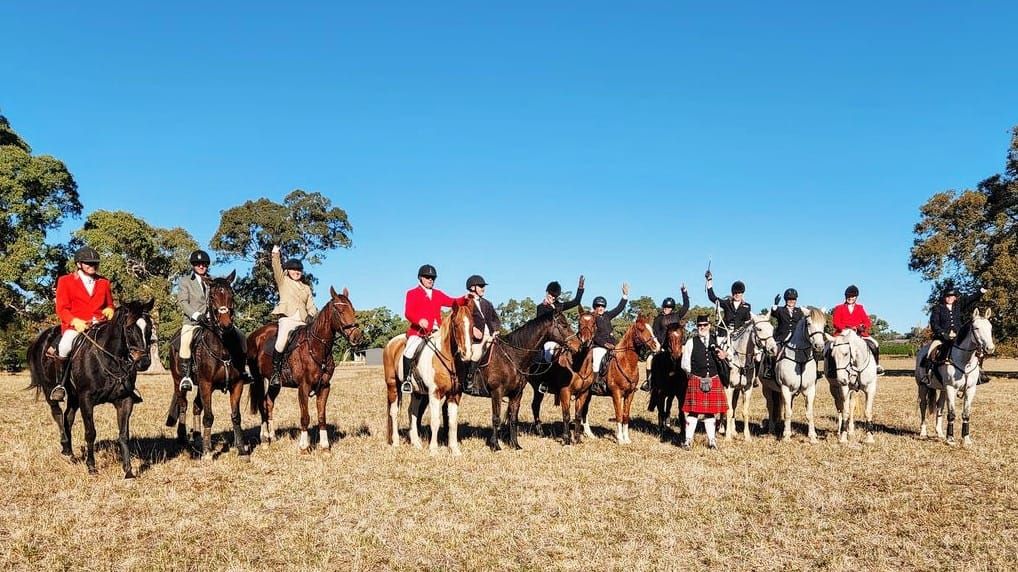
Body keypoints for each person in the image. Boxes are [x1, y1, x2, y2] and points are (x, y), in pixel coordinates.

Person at [49, 246, 116, 401]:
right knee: (65, 345)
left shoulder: (104, 282)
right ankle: (60, 385)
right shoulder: (65, 281)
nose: (92, 266)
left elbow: (109, 304)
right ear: (79, 264)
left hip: (101, 325)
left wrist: (109, 310)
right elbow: (61, 308)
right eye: (88, 263)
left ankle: (125, 385)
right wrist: (74, 321)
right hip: (76, 326)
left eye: (95, 263)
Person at [402, 264, 470, 393]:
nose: (430, 279)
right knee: (409, 350)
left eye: (433, 277)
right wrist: (418, 320)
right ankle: (407, 380)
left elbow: (452, 301)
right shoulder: (412, 293)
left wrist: (464, 299)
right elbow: (408, 312)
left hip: (436, 332)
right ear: (420, 278)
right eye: (427, 277)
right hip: (418, 332)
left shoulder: (437, 294)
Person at [268, 245, 318, 388]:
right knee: (281, 341)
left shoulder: (306, 288)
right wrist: (275, 254)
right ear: (288, 271)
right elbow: (276, 268)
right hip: (287, 319)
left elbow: (311, 306)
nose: (296, 272)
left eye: (299, 270)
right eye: (293, 270)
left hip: (302, 321)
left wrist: (311, 315)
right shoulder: (283, 281)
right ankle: (276, 374)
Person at [679, 314, 729, 449]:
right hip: (696, 379)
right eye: (700, 325)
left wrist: (724, 355)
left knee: (710, 412)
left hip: (714, 378)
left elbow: (728, 355)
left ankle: (712, 441)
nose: (702, 327)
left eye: (705, 325)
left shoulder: (717, 340)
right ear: (697, 327)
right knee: (693, 412)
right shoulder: (691, 342)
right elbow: (685, 363)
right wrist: (694, 376)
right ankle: (688, 440)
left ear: (709, 326)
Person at [924, 286, 989, 384]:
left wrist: (982, 290)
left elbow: (971, 298)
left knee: (977, 350)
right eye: (947, 296)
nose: (950, 298)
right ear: (944, 297)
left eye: (952, 296)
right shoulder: (938, 308)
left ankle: (979, 373)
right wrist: (942, 333)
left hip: (958, 337)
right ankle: (928, 375)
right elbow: (934, 323)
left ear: (955, 297)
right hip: (942, 338)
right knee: (931, 352)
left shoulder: (958, 305)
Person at [641, 284, 690, 391]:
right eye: (666, 307)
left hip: (677, 346)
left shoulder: (677, 315)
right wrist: (660, 345)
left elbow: (686, 306)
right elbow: (655, 333)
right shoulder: (658, 319)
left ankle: (690, 379)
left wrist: (684, 292)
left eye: (669, 307)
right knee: (649, 359)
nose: (667, 309)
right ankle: (649, 381)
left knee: (689, 356)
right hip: (663, 346)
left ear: (672, 308)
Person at [831, 284, 883, 375]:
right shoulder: (839, 308)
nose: (850, 298)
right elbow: (836, 323)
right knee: (830, 347)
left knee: (875, 344)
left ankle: (876, 366)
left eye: (852, 296)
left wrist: (861, 327)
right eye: (848, 296)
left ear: (856, 297)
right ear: (845, 296)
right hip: (843, 334)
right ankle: (831, 369)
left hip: (858, 335)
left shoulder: (860, 308)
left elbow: (867, 322)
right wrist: (848, 329)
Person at [463, 274, 501, 396]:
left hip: (490, 336)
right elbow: (463, 321)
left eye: (483, 286)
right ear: (472, 287)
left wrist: (495, 329)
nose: (483, 288)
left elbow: (496, 319)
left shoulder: (487, 303)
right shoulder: (466, 303)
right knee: (477, 353)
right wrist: (472, 329)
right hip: (475, 339)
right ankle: (469, 380)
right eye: (480, 286)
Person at [589, 283, 629, 395]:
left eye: (602, 306)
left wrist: (625, 296)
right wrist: (605, 344)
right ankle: (595, 383)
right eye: (598, 306)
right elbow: (594, 335)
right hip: (599, 346)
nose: (601, 308)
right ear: (595, 307)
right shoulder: (592, 318)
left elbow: (619, 308)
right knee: (597, 360)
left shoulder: (607, 315)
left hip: (612, 345)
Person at [536, 276, 585, 364]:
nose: (553, 297)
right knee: (548, 350)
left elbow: (576, 302)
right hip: (548, 339)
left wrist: (580, 288)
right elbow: (541, 324)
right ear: (547, 293)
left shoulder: (558, 305)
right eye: (551, 295)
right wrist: (552, 308)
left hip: (560, 338)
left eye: (555, 296)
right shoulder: (540, 307)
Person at [763, 287, 806, 379]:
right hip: (782, 338)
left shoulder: (800, 311)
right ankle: (769, 370)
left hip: (796, 339)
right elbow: (773, 312)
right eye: (789, 299)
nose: (791, 301)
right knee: (773, 352)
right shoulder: (780, 310)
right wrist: (775, 304)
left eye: (793, 299)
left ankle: (814, 371)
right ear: (786, 300)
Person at [705, 270, 751, 336]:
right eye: (735, 293)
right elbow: (712, 297)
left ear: (742, 293)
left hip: (739, 335)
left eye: (739, 293)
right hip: (724, 333)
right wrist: (709, 281)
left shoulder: (747, 306)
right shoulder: (727, 303)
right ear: (732, 293)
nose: (737, 295)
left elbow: (747, 323)